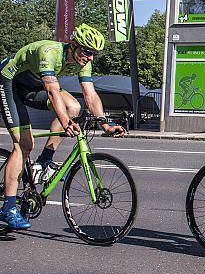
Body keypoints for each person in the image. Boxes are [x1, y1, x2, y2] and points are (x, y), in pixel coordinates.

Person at [0, 24, 126, 230]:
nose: (90, 57)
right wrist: (65, 122)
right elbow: (52, 91)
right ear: (74, 45)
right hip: (9, 83)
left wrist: (105, 123)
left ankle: (45, 161)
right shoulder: (49, 53)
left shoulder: (84, 62)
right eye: (87, 51)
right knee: (24, 145)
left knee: (74, 106)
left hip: (34, 86)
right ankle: (9, 206)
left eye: (94, 53)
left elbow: (90, 95)